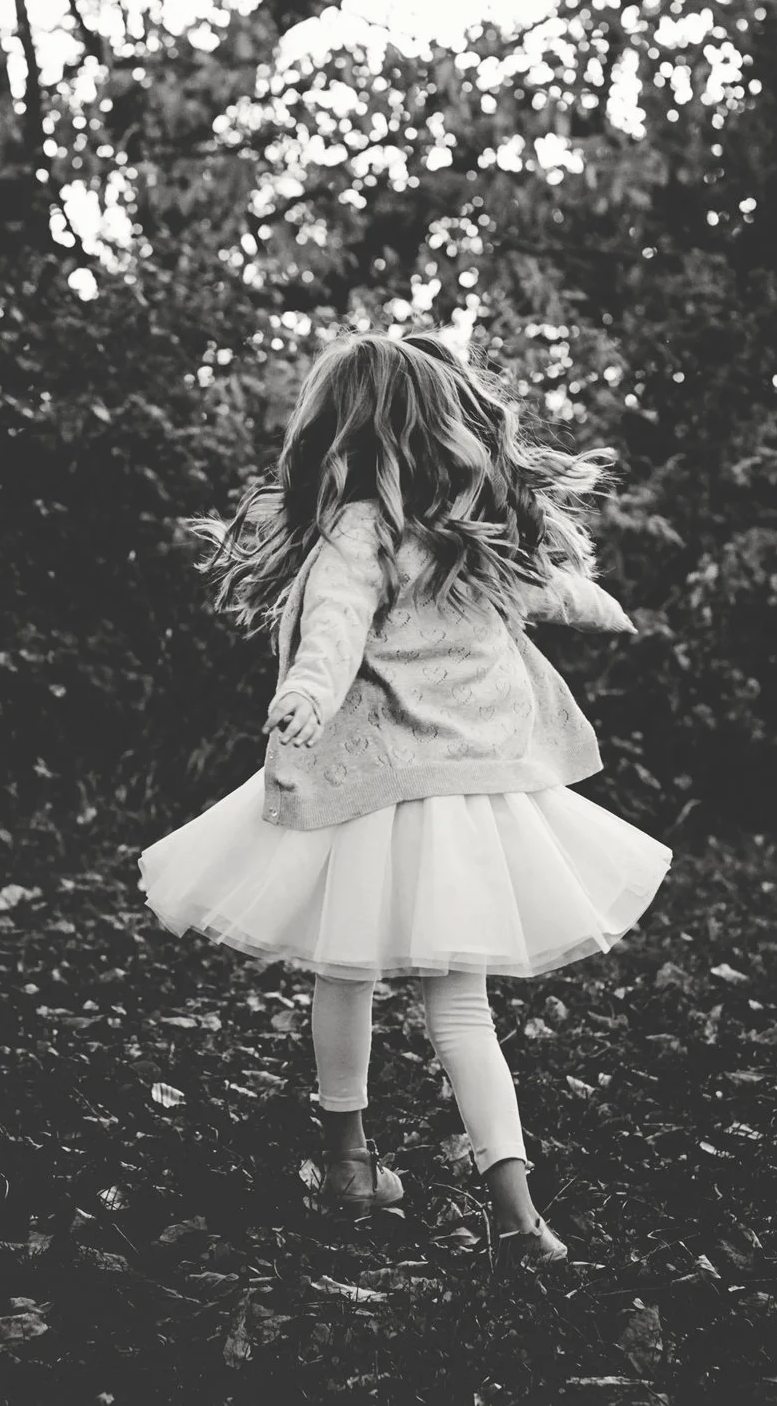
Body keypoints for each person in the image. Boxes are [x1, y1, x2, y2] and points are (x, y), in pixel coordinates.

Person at [138, 330, 674, 1268]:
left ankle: (349, 1166)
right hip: (467, 802)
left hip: (372, 791)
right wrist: (609, 609)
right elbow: (550, 593)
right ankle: (519, 1218)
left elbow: (337, 621)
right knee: (462, 1011)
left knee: (344, 971)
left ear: (346, 430)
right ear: (440, 425)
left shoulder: (366, 528)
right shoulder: (472, 531)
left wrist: (307, 694)